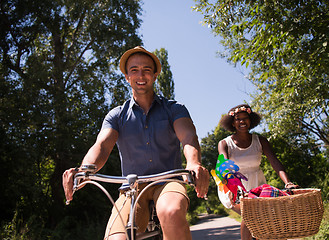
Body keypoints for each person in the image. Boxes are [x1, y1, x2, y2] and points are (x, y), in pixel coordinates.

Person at [62, 46, 209, 240]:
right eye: (134, 70)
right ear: (126, 76)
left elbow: (188, 137)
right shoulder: (116, 115)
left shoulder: (174, 109)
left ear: (155, 75)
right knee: (117, 238)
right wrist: (84, 170)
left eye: (147, 70)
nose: (141, 75)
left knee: (172, 212)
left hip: (168, 183)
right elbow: (102, 146)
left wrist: (194, 163)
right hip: (131, 189)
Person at [217, 104, 298, 240]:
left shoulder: (260, 141)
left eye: (245, 118)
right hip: (233, 185)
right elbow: (224, 166)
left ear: (251, 120)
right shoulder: (225, 143)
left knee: (264, 219)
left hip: (257, 184)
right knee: (250, 213)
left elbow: (275, 162)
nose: (242, 121)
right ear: (232, 123)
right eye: (238, 119)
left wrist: (288, 182)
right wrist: (232, 187)